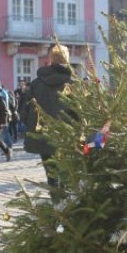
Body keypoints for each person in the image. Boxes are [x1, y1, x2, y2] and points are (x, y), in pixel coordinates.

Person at [22, 43, 73, 187]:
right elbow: (79, 112)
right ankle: (66, 203)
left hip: (42, 136)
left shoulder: (37, 83)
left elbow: (25, 110)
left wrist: (33, 129)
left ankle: (57, 202)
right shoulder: (72, 83)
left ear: (51, 59)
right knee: (68, 174)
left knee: (51, 174)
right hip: (67, 137)